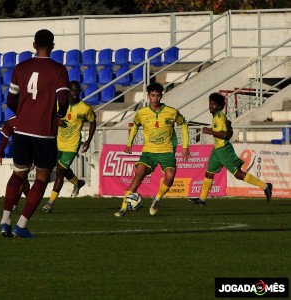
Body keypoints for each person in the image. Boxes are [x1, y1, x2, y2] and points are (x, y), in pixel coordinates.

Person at [0, 29, 69, 238]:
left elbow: (10, 100)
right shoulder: (58, 70)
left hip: (22, 130)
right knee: (41, 177)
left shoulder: (21, 68)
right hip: (44, 132)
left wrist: (22, 113)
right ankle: (21, 225)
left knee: (18, 173)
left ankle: (4, 221)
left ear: (33, 45)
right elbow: (63, 100)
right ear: (53, 46)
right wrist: (59, 114)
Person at [114, 82, 190, 217]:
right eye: (152, 95)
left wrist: (185, 147)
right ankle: (123, 208)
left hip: (167, 151)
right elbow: (135, 125)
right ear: (148, 96)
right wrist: (129, 143)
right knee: (138, 176)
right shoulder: (142, 113)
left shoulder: (171, 112)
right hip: (149, 152)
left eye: (158, 95)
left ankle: (157, 199)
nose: (155, 98)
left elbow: (183, 124)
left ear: (161, 96)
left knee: (170, 177)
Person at [190, 92, 273, 206]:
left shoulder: (219, 117)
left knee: (238, 175)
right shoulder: (216, 116)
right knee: (209, 174)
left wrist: (209, 131)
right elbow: (228, 130)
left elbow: (224, 135)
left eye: (213, 104)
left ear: (219, 106)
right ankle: (202, 200)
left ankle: (265, 186)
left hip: (224, 150)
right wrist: (214, 130)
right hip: (217, 150)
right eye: (210, 103)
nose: (210, 106)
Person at [42, 80, 96, 213]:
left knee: (60, 170)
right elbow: (48, 118)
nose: (75, 93)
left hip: (72, 145)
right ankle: (77, 182)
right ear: (67, 92)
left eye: (77, 90)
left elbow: (93, 122)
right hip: (57, 142)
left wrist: (88, 141)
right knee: (62, 168)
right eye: (72, 90)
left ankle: (50, 203)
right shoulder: (58, 105)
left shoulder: (85, 108)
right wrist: (56, 121)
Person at [0, 115, 31, 211]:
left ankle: (14, 204)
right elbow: (4, 139)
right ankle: (31, 201)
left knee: (20, 179)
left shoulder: (32, 119)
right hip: (18, 155)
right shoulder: (12, 121)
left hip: (29, 155)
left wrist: (35, 158)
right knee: (23, 181)